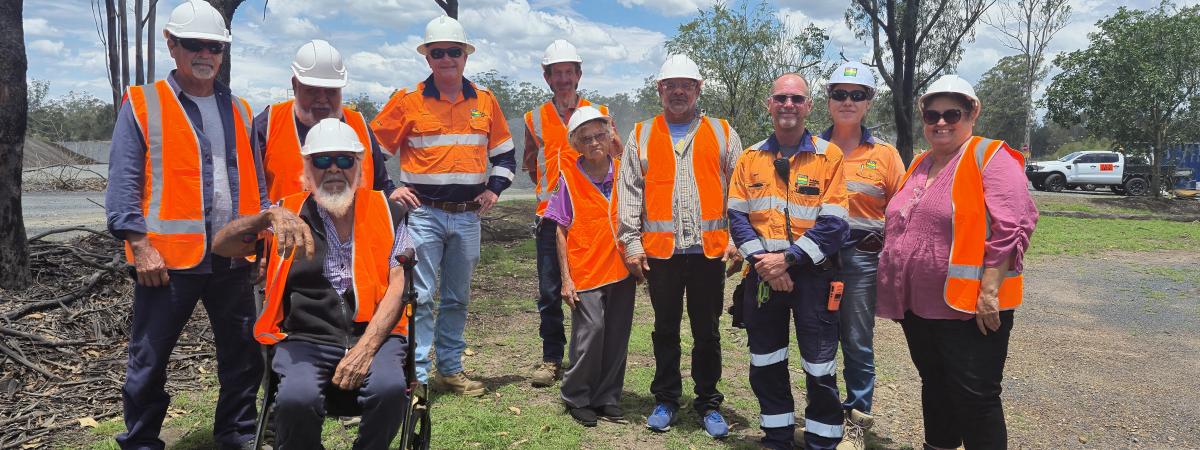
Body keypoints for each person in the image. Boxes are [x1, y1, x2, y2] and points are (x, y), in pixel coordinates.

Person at [104, 1, 266, 448]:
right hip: (166, 262)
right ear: (171, 44)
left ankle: (235, 434)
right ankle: (141, 441)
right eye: (194, 44)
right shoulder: (142, 104)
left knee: (242, 355)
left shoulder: (241, 109)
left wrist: (262, 246)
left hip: (232, 259)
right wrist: (140, 244)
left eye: (214, 46)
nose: (205, 53)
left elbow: (258, 186)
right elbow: (124, 182)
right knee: (150, 359)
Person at [211, 118, 414, 450]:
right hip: (305, 334)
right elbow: (221, 245)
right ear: (306, 169)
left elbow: (398, 285)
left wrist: (365, 349)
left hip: (376, 333)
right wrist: (265, 218)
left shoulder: (387, 211)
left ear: (359, 167)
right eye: (321, 160)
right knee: (295, 400)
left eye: (344, 160)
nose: (333, 169)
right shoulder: (285, 214)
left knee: (390, 391)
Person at [876, 74, 1037, 450]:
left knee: (976, 398)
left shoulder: (990, 157)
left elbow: (1013, 226)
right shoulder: (919, 162)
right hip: (918, 308)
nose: (941, 123)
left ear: (972, 113)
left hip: (970, 308)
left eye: (952, 113)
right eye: (932, 115)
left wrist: (989, 292)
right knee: (935, 387)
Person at [371, 15, 516, 396]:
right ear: (428, 58)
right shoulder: (408, 102)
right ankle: (415, 374)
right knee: (418, 296)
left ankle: (449, 370)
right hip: (423, 215)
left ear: (465, 56)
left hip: (468, 216)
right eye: (439, 53)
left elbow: (505, 154)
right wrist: (389, 189)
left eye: (454, 51)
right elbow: (371, 153)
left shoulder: (485, 102)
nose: (447, 58)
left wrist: (495, 189)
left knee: (457, 297)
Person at [616, 54, 742, 438]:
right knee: (665, 328)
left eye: (686, 84)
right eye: (671, 85)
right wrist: (632, 245)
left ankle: (708, 402)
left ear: (699, 89)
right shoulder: (641, 134)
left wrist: (738, 241)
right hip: (661, 255)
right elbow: (629, 193)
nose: (679, 91)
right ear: (660, 90)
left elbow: (741, 193)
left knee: (707, 331)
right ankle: (666, 398)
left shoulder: (723, 133)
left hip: (709, 253)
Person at [727, 73, 850, 450]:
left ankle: (822, 440)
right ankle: (778, 436)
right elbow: (737, 217)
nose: (788, 105)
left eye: (796, 99)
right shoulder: (749, 159)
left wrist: (788, 261)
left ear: (808, 106)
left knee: (820, 365)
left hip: (814, 278)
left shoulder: (829, 156)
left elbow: (834, 224)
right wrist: (767, 264)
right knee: (765, 360)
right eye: (781, 98)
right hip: (763, 278)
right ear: (770, 104)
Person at [816, 62, 905, 450]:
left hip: (862, 261)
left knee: (856, 342)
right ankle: (824, 421)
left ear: (869, 101)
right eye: (840, 94)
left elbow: (901, 213)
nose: (847, 101)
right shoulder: (811, 149)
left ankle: (854, 425)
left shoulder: (884, 155)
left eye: (857, 95)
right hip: (815, 260)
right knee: (817, 341)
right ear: (829, 99)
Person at [522, 40, 614, 388]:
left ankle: (590, 352)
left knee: (593, 286)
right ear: (546, 77)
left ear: (578, 74)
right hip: (550, 216)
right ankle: (551, 358)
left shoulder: (599, 111)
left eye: (568, 72)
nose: (563, 79)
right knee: (550, 290)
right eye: (556, 73)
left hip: (593, 219)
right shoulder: (534, 118)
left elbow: (616, 154)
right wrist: (554, 191)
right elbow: (531, 163)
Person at [541, 106, 635, 427]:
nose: (595, 142)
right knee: (591, 332)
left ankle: (607, 397)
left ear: (610, 137)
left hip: (622, 270)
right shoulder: (568, 178)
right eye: (587, 138)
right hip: (586, 271)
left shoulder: (625, 172)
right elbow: (560, 229)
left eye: (600, 135)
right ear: (577, 144)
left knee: (617, 336)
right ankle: (576, 395)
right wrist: (566, 279)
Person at [252, 39, 396, 203]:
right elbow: (248, 192)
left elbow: (381, 184)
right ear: (295, 85)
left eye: (331, 92)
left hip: (357, 228)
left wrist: (393, 195)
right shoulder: (269, 124)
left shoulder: (360, 125)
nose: (322, 99)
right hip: (287, 228)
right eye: (312, 91)